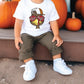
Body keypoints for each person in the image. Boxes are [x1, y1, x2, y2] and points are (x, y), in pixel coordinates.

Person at [13, 0, 72, 81]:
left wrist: (56, 35)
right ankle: (30, 64)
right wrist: (17, 37)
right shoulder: (23, 3)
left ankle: (58, 62)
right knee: (23, 45)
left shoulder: (49, 4)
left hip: (44, 32)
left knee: (54, 42)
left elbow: (53, 21)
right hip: (27, 33)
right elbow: (18, 22)